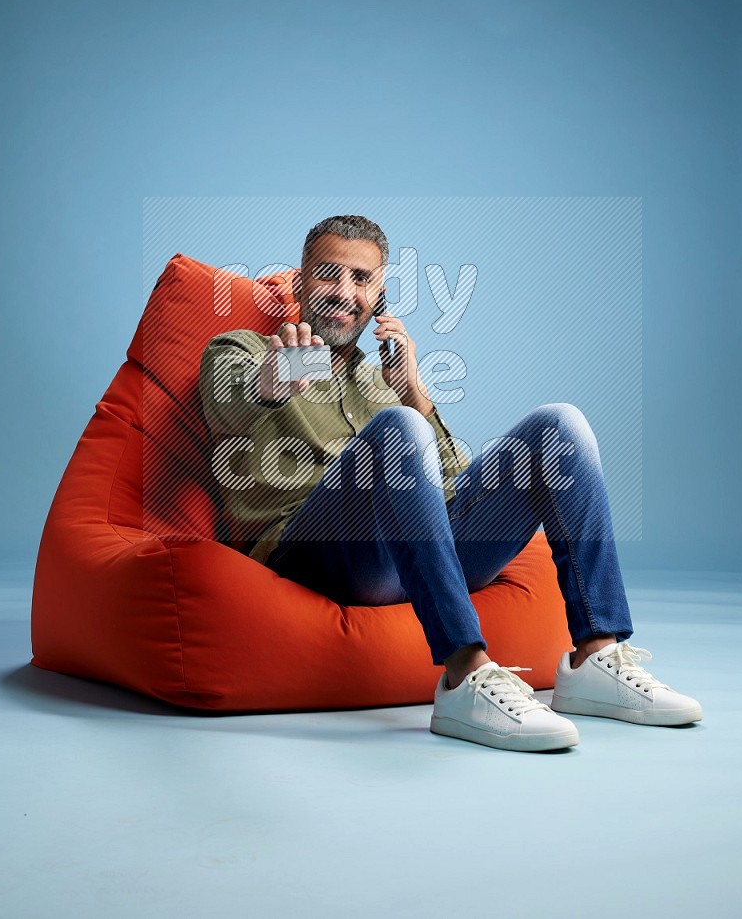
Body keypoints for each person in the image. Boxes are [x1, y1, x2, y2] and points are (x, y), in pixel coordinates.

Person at [199, 214, 702, 752]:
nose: (345, 293)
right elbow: (226, 405)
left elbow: (454, 486)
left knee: (560, 425)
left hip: (416, 556)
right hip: (317, 556)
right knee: (398, 429)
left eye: (362, 280)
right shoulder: (245, 350)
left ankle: (595, 656)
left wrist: (414, 391)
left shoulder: (382, 382)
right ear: (299, 283)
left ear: (380, 295)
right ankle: (465, 674)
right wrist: (272, 384)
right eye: (328, 275)